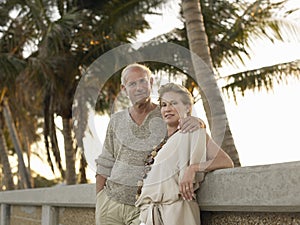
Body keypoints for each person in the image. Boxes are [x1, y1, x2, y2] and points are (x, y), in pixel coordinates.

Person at [95, 63, 204, 225]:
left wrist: (199, 122)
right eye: (132, 84)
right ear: (124, 89)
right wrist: (99, 200)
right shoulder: (116, 120)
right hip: (110, 203)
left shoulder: (166, 114)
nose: (139, 88)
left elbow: (188, 126)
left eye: (142, 81)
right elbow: (105, 162)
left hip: (143, 208)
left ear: (151, 83)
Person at [135, 83, 234, 225]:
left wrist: (193, 168)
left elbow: (225, 161)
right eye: (164, 105)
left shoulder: (193, 132)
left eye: (174, 103)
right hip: (149, 215)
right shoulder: (161, 143)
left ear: (187, 107)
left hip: (177, 213)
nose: (167, 109)